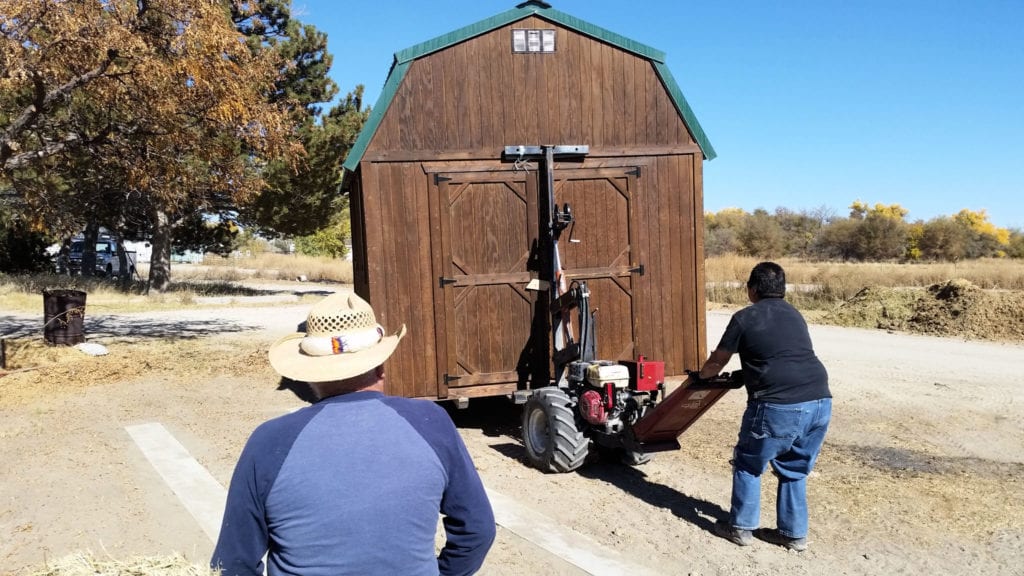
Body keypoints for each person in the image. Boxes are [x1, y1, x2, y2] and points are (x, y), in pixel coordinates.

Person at [211, 292, 496, 575]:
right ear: (382, 365)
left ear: (309, 374)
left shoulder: (270, 440)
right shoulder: (430, 422)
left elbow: (233, 562)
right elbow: (476, 530)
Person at [698, 262, 832, 552]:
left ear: (752, 289)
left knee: (748, 463)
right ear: (781, 289)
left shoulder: (744, 318)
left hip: (777, 405)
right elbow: (781, 355)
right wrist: (745, 375)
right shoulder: (795, 315)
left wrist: (702, 376)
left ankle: (741, 529)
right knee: (795, 469)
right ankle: (794, 535)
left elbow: (717, 362)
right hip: (820, 401)